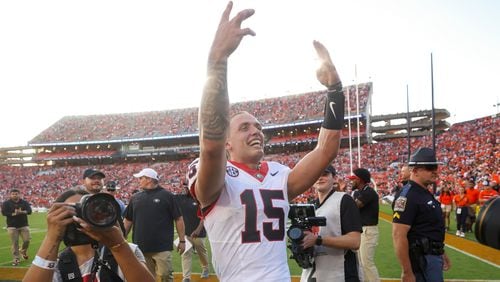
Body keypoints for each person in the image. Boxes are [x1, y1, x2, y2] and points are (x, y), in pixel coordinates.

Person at [187, 2, 344, 281]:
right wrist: (217, 61)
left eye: (259, 127)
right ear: (228, 143)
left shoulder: (278, 174)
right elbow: (210, 147)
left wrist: (335, 90)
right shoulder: (218, 173)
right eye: (244, 127)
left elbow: (326, 149)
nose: (256, 131)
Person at [22, 189, 154, 282]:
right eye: (72, 212)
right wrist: (51, 238)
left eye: (88, 210)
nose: (81, 218)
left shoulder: (127, 251)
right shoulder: (55, 264)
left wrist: (118, 246)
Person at [392, 147, 451, 281]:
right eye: (430, 168)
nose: (435, 171)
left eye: (435, 167)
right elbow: (398, 235)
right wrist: (407, 271)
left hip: (432, 255)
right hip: (421, 260)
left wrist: (441, 252)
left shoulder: (423, 192)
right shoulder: (408, 196)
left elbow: (428, 229)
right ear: (416, 170)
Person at [300, 165, 362, 282]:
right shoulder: (310, 206)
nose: (320, 178)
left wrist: (318, 240)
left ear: (334, 178)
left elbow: (355, 241)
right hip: (314, 273)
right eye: (317, 175)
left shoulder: (345, 200)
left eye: (325, 174)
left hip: (341, 273)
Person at [124, 168, 186, 282]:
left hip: (162, 246)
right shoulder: (135, 197)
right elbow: (128, 220)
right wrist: (122, 238)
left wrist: (182, 241)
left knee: (165, 275)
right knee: (146, 277)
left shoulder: (167, 196)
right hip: (141, 246)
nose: (139, 181)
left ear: (149, 179)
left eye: (141, 178)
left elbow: (179, 218)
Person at [349, 168, 380, 282]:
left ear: (360, 180)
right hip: (360, 230)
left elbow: (353, 207)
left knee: (366, 263)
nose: (351, 181)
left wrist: (340, 192)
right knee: (360, 264)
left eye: (353, 179)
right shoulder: (358, 192)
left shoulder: (369, 192)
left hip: (368, 230)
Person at [176, 181, 210, 282]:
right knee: (186, 254)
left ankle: (205, 268)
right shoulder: (180, 198)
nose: (185, 189)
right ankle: (186, 277)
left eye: (187, 187)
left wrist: (198, 229)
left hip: (198, 233)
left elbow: (204, 216)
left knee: (201, 253)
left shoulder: (201, 198)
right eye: (185, 187)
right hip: (185, 233)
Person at [2, 188, 32, 266]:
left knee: (27, 240)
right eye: (13, 194)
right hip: (12, 226)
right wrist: (13, 214)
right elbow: (4, 213)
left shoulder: (24, 202)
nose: (15, 195)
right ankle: (16, 258)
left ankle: (23, 250)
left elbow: (29, 211)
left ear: (19, 194)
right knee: (15, 243)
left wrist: (21, 212)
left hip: (23, 224)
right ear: (10, 195)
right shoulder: (6, 203)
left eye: (16, 194)